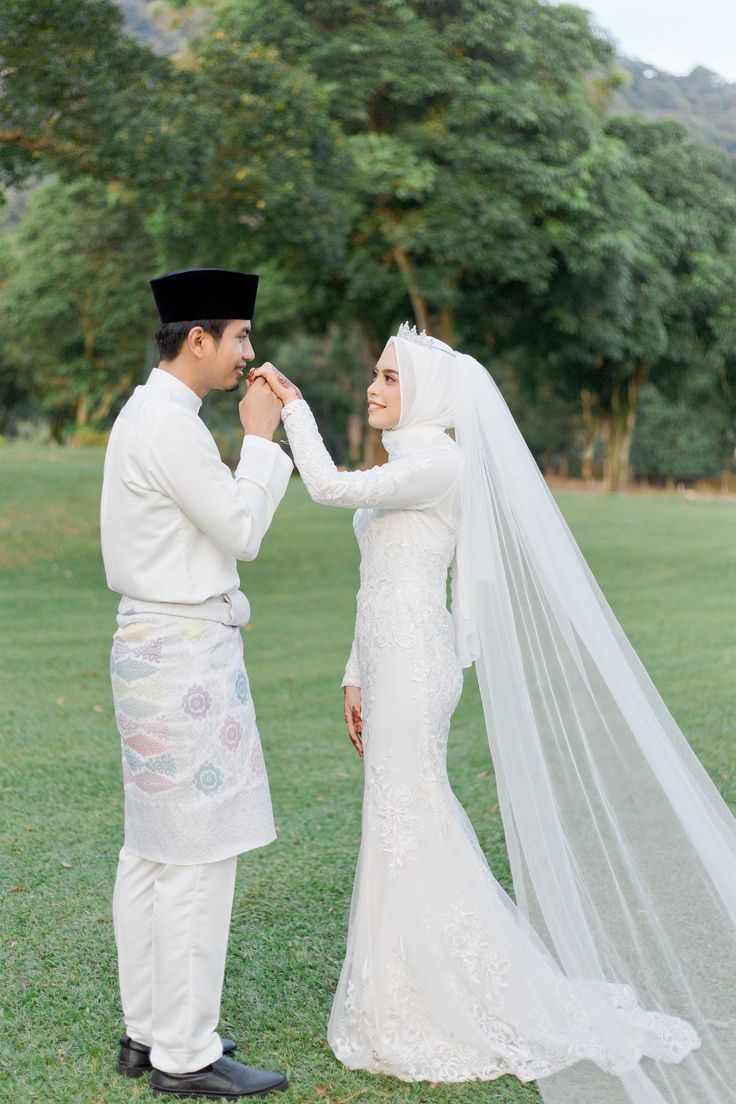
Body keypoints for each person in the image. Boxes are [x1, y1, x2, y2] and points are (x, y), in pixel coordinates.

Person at [252, 324, 736, 1104]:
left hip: (416, 662)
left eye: (389, 377)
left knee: (409, 816)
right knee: (398, 819)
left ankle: (431, 996)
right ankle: (402, 985)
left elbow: (328, 487)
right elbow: (374, 579)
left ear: (431, 394)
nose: (373, 388)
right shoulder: (408, 462)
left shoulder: (440, 462)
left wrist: (295, 409)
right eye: (374, 375)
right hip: (385, 657)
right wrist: (352, 674)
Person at [100, 268, 292, 1099]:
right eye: (241, 336)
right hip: (180, 656)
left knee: (152, 847)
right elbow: (241, 527)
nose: (250, 352)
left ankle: (150, 1031)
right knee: (197, 854)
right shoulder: (170, 427)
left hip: (158, 646)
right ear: (199, 338)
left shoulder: (154, 414)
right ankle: (185, 1052)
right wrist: (261, 436)